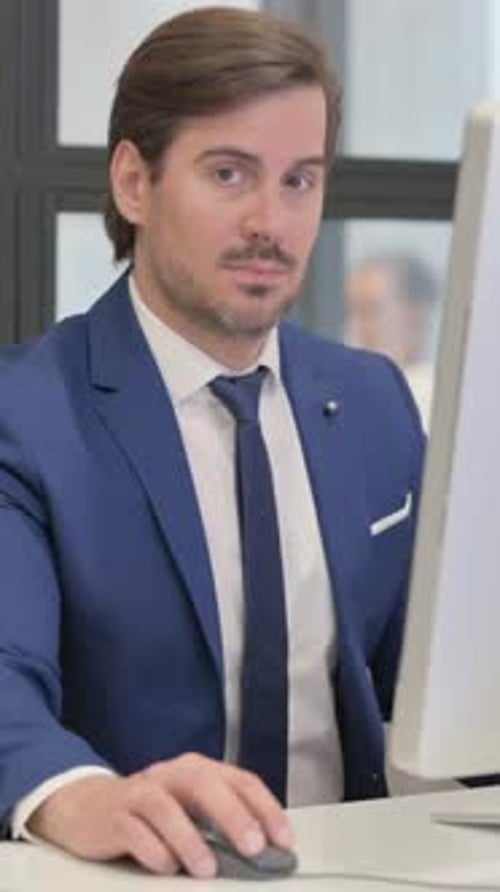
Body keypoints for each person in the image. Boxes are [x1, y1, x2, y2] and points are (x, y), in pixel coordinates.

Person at [0, 6, 425, 880]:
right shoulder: (26, 414)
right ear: (133, 183)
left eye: (301, 180)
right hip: (152, 872)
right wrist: (85, 795)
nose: (272, 221)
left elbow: (428, 678)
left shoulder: (374, 398)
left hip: (370, 866)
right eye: (229, 174)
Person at [344, 253, 440, 426]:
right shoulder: (345, 392)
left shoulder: (438, 400)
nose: (358, 326)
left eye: (371, 310)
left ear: (414, 316)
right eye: (353, 311)